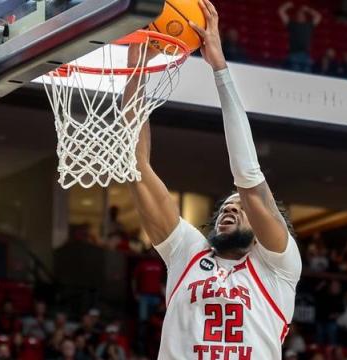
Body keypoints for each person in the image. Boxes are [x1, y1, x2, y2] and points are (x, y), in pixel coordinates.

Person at [124, 1, 302, 358]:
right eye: (224, 207)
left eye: (237, 207)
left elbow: (249, 181)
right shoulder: (186, 251)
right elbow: (137, 166)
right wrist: (136, 64)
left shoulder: (278, 267)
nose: (228, 210)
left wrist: (220, 68)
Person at [279, 1, 322, 72]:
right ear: (296, 16)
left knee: (307, 75)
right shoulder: (292, 24)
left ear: (305, 17)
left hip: (305, 55)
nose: (300, 16)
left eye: (302, 14)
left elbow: (318, 16)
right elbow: (281, 11)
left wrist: (308, 10)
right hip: (294, 54)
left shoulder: (309, 25)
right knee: (294, 73)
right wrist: (286, 6)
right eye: (298, 14)